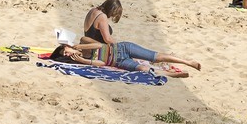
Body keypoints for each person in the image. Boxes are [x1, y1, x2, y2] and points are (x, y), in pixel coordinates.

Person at [52, 38, 201, 74]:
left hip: (123, 48)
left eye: (64, 50)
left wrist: (80, 48)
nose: (66, 53)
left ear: (67, 46)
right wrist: (85, 61)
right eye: (64, 55)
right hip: (118, 61)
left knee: (156, 57)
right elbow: (102, 64)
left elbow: (101, 46)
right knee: (143, 69)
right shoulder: (80, 61)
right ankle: (171, 74)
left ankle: (188, 62)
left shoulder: (83, 41)